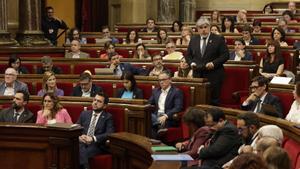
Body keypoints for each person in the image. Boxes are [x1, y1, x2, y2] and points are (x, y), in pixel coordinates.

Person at [186, 17, 229, 105]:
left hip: (214, 75)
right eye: (201, 28)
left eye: (205, 27)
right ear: (197, 29)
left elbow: (225, 55)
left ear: (209, 27)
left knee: (213, 101)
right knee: (198, 100)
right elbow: (188, 55)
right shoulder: (194, 39)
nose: (203, 30)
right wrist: (191, 63)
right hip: (198, 75)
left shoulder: (218, 39)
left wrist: (213, 63)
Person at [77, 91, 114, 169]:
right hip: (82, 142)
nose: (95, 103)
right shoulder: (84, 114)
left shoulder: (108, 117)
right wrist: (79, 137)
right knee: (78, 148)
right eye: (94, 100)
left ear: (104, 106)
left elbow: (109, 133)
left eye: (99, 101)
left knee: (83, 152)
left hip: (97, 145)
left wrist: (93, 138)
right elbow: (76, 128)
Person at [149, 71, 183, 138]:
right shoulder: (156, 91)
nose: (161, 82)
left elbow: (178, 107)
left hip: (168, 118)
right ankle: (158, 124)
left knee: (150, 123)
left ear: (170, 80)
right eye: (160, 80)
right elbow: (149, 103)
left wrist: (166, 116)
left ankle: (157, 127)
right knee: (147, 115)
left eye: (164, 79)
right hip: (156, 116)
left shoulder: (176, 92)